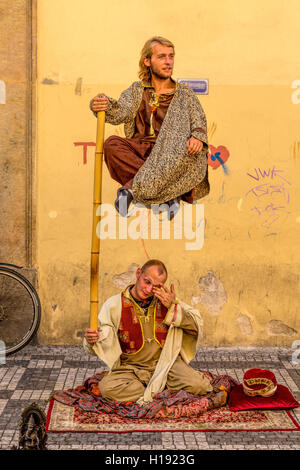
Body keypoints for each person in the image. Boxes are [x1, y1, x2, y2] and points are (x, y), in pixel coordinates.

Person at [90, 36, 209, 218]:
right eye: (161, 57)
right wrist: (103, 105)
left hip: (173, 153)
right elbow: (121, 111)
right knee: (111, 145)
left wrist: (197, 138)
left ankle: (130, 190)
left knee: (194, 153)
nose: (168, 62)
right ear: (147, 61)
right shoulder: (137, 90)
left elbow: (198, 121)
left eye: (171, 56)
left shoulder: (185, 93)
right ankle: (166, 196)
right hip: (142, 151)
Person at [83, 259, 226, 405]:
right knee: (107, 388)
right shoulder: (114, 304)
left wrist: (173, 307)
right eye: (147, 282)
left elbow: (195, 327)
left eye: (156, 286)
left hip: (167, 364)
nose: (149, 289)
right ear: (138, 273)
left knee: (201, 386)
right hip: (131, 368)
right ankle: (161, 390)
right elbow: (98, 342)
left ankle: (153, 389)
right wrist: (92, 339)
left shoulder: (166, 301)